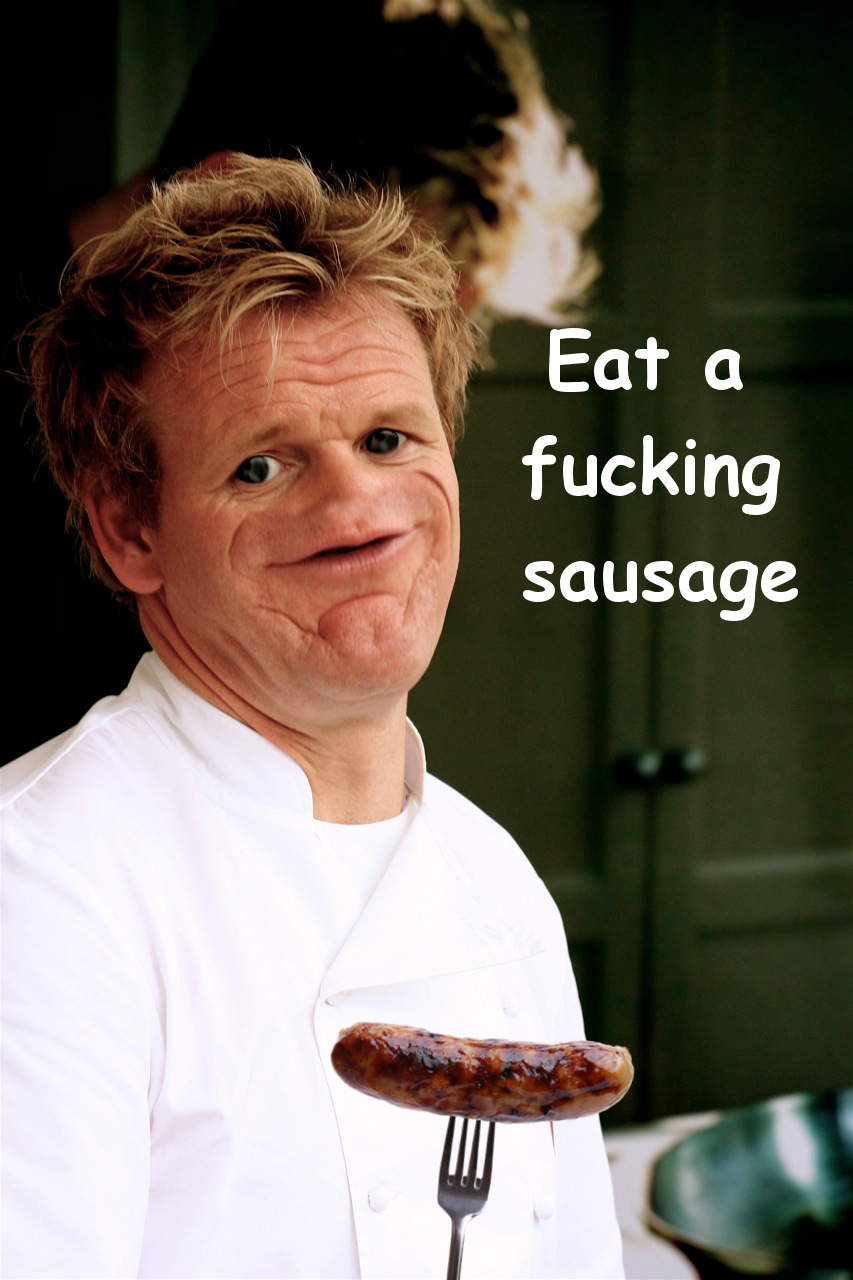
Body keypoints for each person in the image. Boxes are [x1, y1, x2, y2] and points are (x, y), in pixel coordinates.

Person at [1, 156, 622, 1278]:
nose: (355, 504)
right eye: (261, 464)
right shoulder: (42, 885)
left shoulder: (493, 883)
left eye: (389, 438)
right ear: (131, 531)